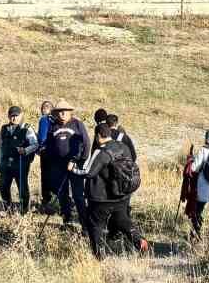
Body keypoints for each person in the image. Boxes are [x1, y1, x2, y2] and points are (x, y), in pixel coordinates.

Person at [83, 122, 147, 258]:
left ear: (98, 136)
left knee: (96, 225)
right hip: (122, 195)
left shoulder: (101, 151)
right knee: (122, 220)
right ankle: (139, 241)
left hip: (101, 198)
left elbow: (89, 172)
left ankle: (99, 256)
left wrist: (73, 168)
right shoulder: (124, 147)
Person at [39, 100, 89, 224]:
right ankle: (66, 220)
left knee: (78, 195)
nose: (62, 114)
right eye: (59, 112)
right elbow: (49, 146)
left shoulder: (77, 124)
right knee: (62, 194)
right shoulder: (54, 126)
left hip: (75, 165)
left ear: (69, 112)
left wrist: (77, 160)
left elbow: (86, 144)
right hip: (59, 167)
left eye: (64, 112)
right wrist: (52, 163)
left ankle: (84, 223)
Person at [0, 106, 40, 214]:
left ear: (21, 115)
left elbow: (35, 144)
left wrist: (25, 150)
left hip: (21, 163)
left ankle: (24, 211)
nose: (14, 118)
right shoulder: (4, 128)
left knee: (22, 189)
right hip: (6, 163)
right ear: (8, 116)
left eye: (16, 116)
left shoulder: (27, 128)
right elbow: (0, 147)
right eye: (12, 116)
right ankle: (8, 210)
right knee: (3, 187)